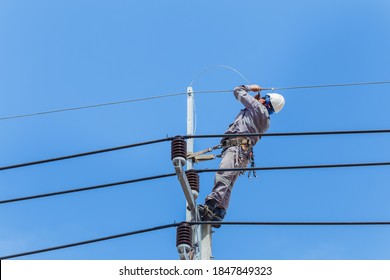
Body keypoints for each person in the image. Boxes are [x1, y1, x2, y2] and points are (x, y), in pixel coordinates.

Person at [198, 84, 285, 226]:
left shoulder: (257, 108)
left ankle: (211, 204)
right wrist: (256, 101)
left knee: (224, 175)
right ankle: (219, 213)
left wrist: (251, 88)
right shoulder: (265, 120)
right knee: (229, 181)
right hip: (243, 153)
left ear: (266, 101)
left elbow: (237, 91)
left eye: (263, 98)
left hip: (236, 148)